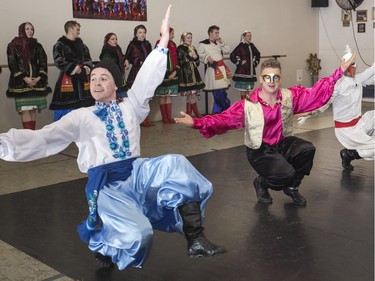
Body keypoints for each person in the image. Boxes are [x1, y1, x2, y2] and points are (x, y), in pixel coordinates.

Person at [0, 5, 226, 270]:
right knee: (140, 237)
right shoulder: (81, 116)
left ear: (116, 83)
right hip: (108, 186)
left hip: (137, 173)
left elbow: (146, 79)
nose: (95, 82)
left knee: (176, 164)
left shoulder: (131, 105)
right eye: (93, 78)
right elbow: (43, 139)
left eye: (103, 78)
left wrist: (163, 41)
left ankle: (195, 238)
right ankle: (103, 244)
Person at [175, 54, 356, 206]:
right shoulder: (248, 106)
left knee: (307, 149)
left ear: (280, 79)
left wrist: (338, 72)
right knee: (285, 173)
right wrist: (196, 122)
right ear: (261, 79)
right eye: (267, 77)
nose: (271, 81)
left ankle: (291, 187)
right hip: (260, 150)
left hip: (282, 143)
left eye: (275, 77)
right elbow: (222, 120)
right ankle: (262, 182)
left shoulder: (288, 96)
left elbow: (315, 92)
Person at [298, 46, 374, 171]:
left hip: (360, 123)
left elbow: (372, 70)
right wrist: (309, 113)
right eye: (349, 64)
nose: (351, 68)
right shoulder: (337, 85)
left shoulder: (358, 79)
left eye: (353, 64)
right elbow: (324, 102)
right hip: (347, 130)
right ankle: (350, 154)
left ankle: (359, 148)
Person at [6, 22, 51, 130]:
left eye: (31, 29)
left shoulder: (37, 46)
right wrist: (25, 78)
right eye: (27, 29)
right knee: (25, 109)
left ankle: (32, 135)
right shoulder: (13, 45)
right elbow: (12, 64)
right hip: (21, 84)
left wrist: (39, 77)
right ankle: (28, 137)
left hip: (36, 83)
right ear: (22, 30)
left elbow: (43, 62)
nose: (30, 31)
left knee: (33, 109)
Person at [49, 20, 94, 121]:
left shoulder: (82, 45)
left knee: (85, 110)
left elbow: (88, 59)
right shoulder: (59, 45)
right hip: (68, 79)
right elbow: (58, 61)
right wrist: (73, 68)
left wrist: (86, 67)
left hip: (83, 78)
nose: (79, 32)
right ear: (70, 28)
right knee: (66, 109)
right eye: (77, 29)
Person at [197, 25, 231, 114]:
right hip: (213, 70)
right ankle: (226, 109)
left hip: (222, 69)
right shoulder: (203, 44)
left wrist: (222, 42)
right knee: (217, 92)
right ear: (210, 33)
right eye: (216, 33)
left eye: (218, 33)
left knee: (222, 92)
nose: (217, 34)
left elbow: (228, 51)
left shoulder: (219, 43)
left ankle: (219, 112)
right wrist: (207, 57)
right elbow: (199, 54)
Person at [124, 24, 153, 126]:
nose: (142, 34)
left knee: (146, 96)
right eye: (140, 32)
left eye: (144, 32)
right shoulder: (132, 44)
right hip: (137, 72)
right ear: (136, 34)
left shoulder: (148, 44)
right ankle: (139, 118)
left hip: (146, 71)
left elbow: (151, 57)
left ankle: (146, 117)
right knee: (137, 96)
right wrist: (137, 61)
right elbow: (127, 56)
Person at [177, 32, 205, 118]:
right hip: (186, 76)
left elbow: (197, 63)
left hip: (194, 76)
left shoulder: (193, 48)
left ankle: (188, 114)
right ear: (183, 39)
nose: (190, 39)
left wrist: (196, 58)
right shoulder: (180, 48)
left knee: (190, 96)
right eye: (188, 38)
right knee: (191, 96)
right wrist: (188, 56)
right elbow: (180, 63)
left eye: (191, 38)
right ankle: (197, 114)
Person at [155, 27, 179, 124]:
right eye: (172, 33)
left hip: (172, 73)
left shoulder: (173, 44)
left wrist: (175, 71)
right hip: (163, 74)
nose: (173, 35)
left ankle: (169, 117)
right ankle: (164, 117)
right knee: (163, 95)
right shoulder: (159, 43)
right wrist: (165, 73)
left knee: (169, 95)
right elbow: (157, 59)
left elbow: (176, 59)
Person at [230, 30, 261, 100]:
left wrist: (255, 62)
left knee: (248, 90)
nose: (249, 37)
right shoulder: (240, 46)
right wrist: (239, 63)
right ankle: (243, 105)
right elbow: (232, 55)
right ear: (243, 37)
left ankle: (247, 105)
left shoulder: (252, 46)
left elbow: (258, 54)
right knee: (243, 91)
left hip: (250, 72)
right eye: (248, 36)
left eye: (250, 36)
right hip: (242, 72)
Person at [99, 32, 127, 100]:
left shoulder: (117, 49)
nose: (115, 41)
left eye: (116, 39)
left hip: (120, 75)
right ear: (108, 41)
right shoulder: (106, 51)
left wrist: (126, 59)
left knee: (122, 96)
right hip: (112, 77)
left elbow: (122, 57)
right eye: (112, 39)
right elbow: (108, 66)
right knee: (114, 97)